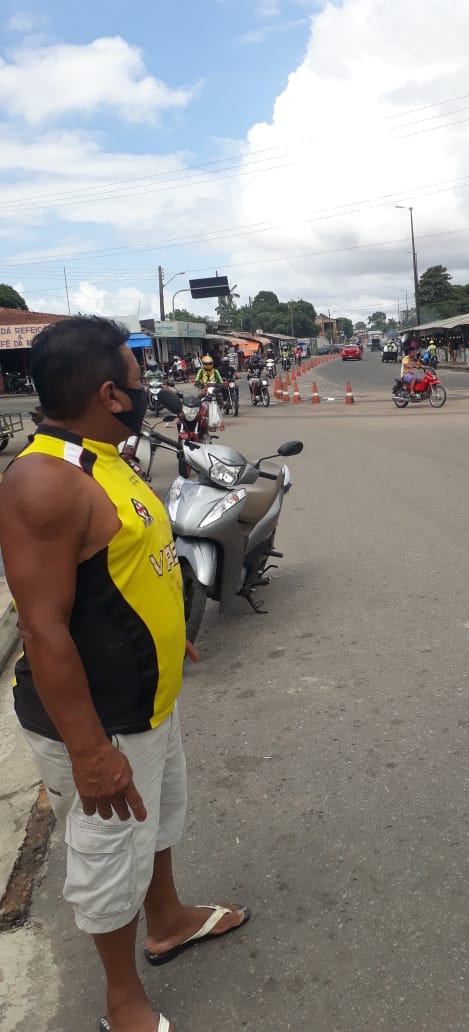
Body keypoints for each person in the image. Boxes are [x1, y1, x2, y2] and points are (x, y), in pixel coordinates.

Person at [0, 317, 249, 1032]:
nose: (148, 393)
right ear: (110, 393)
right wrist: (87, 752)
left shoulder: (105, 455)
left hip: (148, 695)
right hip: (100, 719)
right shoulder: (44, 483)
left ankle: (166, 919)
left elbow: (129, 566)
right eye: (139, 384)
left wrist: (173, 638)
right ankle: (121, 1001)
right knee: (110, 857)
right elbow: (43, 627)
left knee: (161, 819)